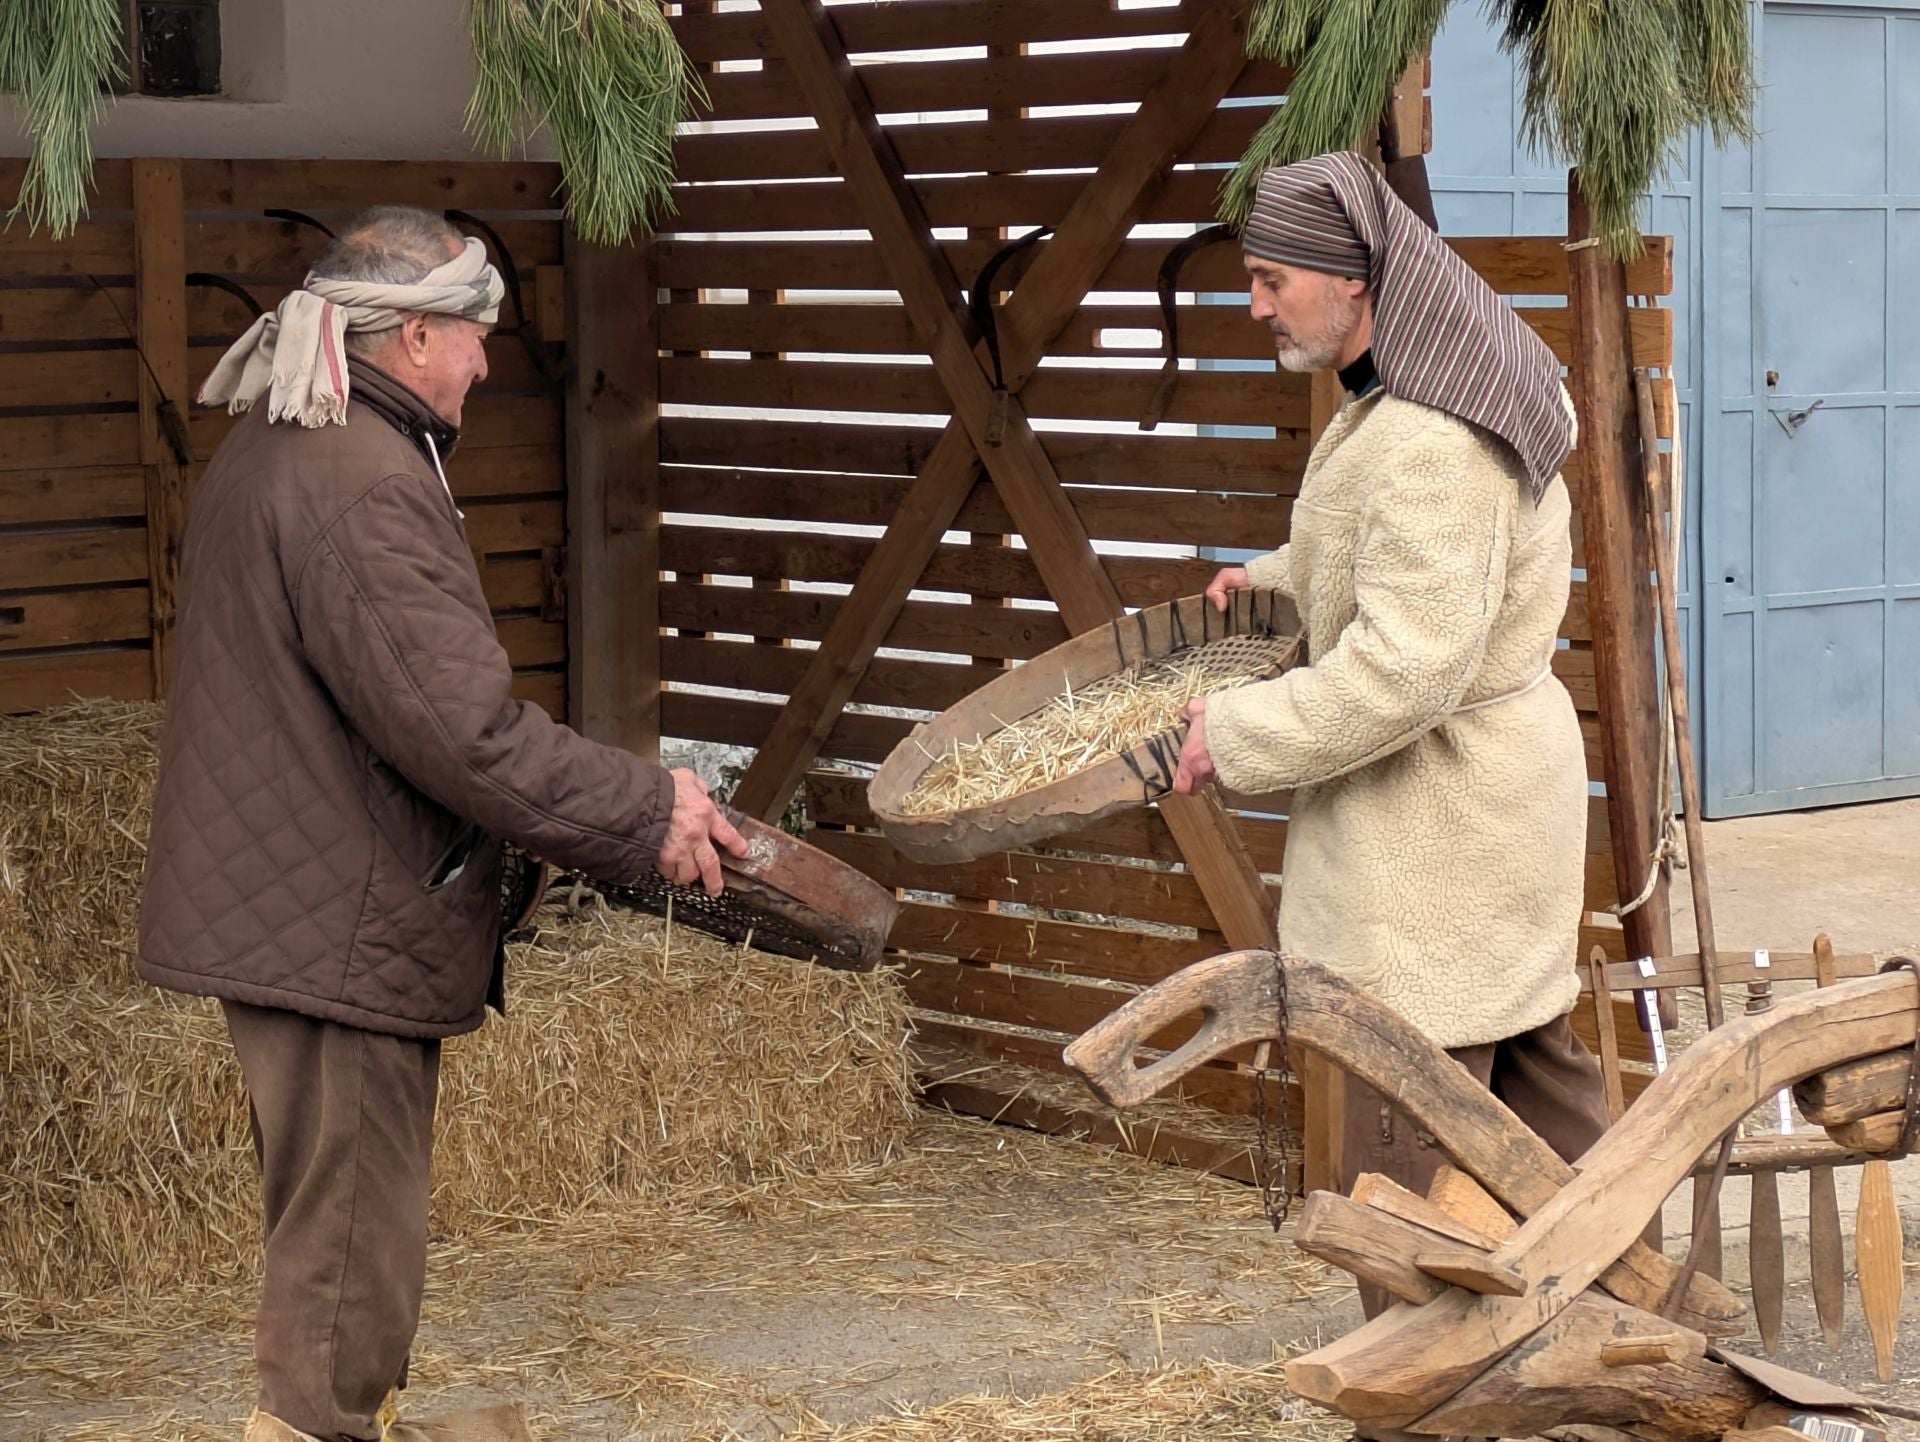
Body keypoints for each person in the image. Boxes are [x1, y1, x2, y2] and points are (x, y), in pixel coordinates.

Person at [136, 206, 746, 1442]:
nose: (484, 360)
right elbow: (462, 733)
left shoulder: (285, 442)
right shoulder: (356, 480)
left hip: (301, 904)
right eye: (475, 334)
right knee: (347, 1271)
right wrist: (650, 804)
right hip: (338, 922)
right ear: (412, 332)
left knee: (333, 1236)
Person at [1173, 152, 1610, 1316]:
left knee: (1406, 1131)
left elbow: (1409, 663)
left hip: (1437, 834)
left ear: (1357, 282)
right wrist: (1273, 580)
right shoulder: (1424, 386)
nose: (1256, 302)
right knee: (1533, 1087)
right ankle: (1604, 1319)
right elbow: (1408, 580)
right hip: (1483, 818)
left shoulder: (1431, 436)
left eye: (1273, 279)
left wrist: (1237, 733)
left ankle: (1428, 1384)